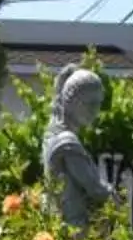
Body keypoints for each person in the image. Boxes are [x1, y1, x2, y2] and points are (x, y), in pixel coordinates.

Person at [41, 65, 115, 226]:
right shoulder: (68, 142)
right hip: (74, 231)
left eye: (98, 104)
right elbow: (96, 189)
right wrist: (116, 196)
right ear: (72, 101)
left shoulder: (53, 135)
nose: (95, 111)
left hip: (59, 226)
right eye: (90, 104)